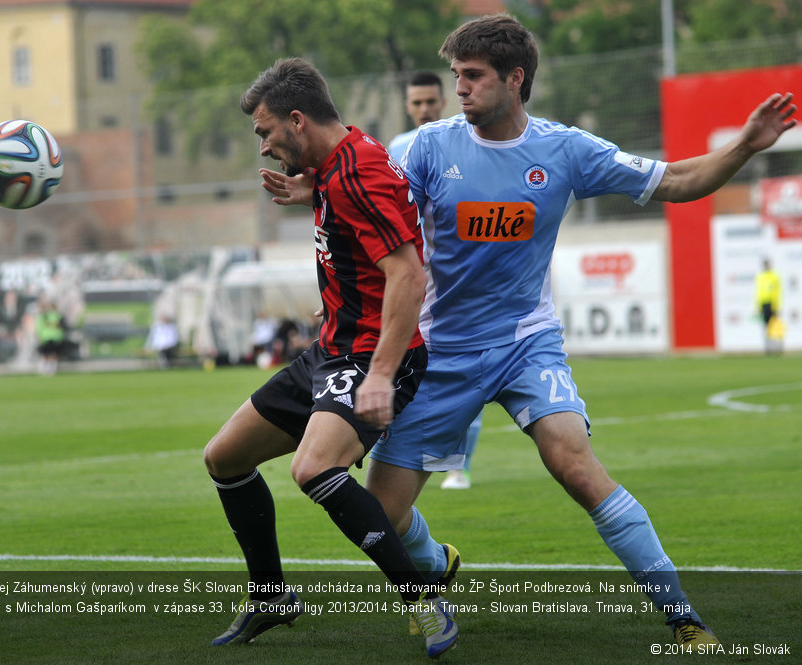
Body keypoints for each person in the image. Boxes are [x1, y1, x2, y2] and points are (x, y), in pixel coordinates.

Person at [260, 15, 797, 650]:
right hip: (439, 352)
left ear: (516, 79)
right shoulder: (427, 147)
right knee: (387, 513)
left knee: (574, 463)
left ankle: (683, 617)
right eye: (456, 75)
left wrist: (744, 146)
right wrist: (314, 186)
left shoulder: (567, 150)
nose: (459, 89)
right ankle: (436, 566)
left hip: (524, 342)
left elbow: (677, 181)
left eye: (473, 76)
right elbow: (360, 182)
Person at [203, 57, 457, 659]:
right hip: (331, 348)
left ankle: (422, 598)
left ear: (297, 120)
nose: (263, 146)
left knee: (314, 469)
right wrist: (312, 188)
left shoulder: (356, 175)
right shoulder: (342, 159)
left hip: (370, 354)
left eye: (266, 132)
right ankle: (270, 596)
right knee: (225, 457)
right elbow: (351, 194)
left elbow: (408, 277)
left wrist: (382, 375)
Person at [388, 70, 478, 490]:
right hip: (414, 277)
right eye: (416, 103)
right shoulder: (398, 148)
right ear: (408, 107)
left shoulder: (463, 140)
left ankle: (459, 465)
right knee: (413, 364)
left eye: (430, 102)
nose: (424, 109)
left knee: (467, 367)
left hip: (457, 278)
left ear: (442, 102)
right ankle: (404, 454)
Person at [754, 258, 783, 354]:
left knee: (774, 327)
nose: (766, 266)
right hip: (764, 304)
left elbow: (778, 292)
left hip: (772, 304)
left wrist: (777, 306)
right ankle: (768, 348)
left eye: (767, 264)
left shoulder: (774, 276)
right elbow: (758, 293)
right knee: (766, 327)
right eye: (764, 264)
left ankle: (777, 348)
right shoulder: (761, 277)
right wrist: (758, 306)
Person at [35, 298, 65, 375]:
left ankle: (51, 369)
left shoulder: (55, 315)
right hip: (45, 338)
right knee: (45, 354)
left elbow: (57, 324)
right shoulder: (43, 316)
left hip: (54, 337)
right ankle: (44, 369)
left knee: (53, 354)